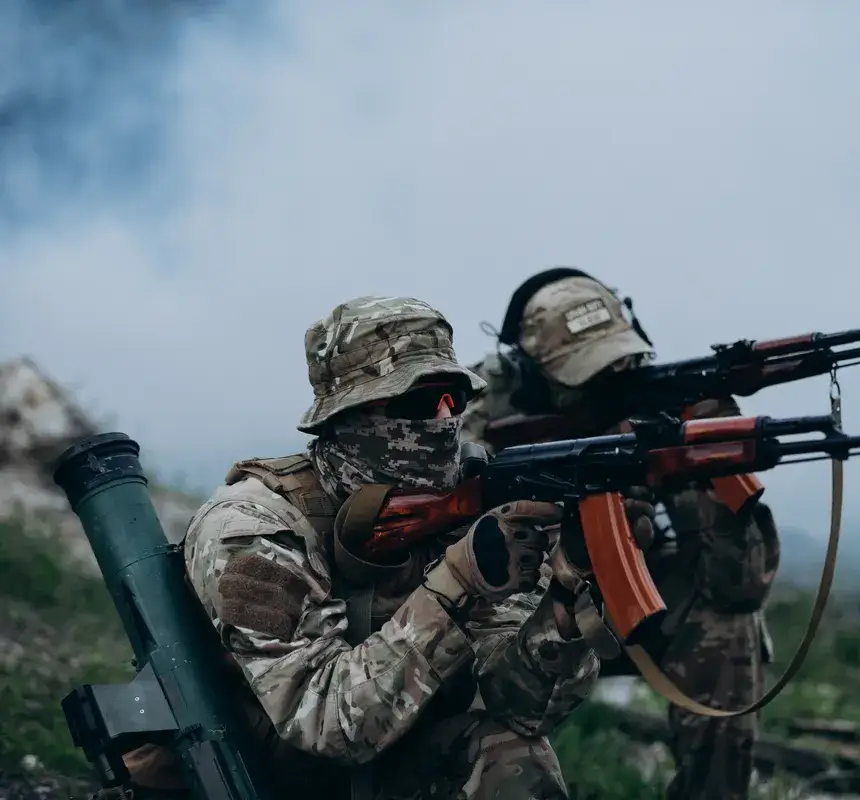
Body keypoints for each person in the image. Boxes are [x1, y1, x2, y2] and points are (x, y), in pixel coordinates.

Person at [162, 296, 648, 800]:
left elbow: (526, 710)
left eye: (454, 401)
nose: (442, 422)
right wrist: (455, 586)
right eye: (419, 403)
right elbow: (326, 725)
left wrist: (565, 609)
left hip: (393, 773)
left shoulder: (463, 506)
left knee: (508, 753)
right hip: (267, 782)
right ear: (347, 412)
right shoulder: (253, 527)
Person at [461, 269, 782, 800]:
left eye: (619, 367)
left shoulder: (657, 410)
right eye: (585, 378)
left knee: (728, 628)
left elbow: (740, 585)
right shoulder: (478, 407)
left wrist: (706, 464)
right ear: (530, 371)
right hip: (523, 618)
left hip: (637, 611)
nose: (610, 388)